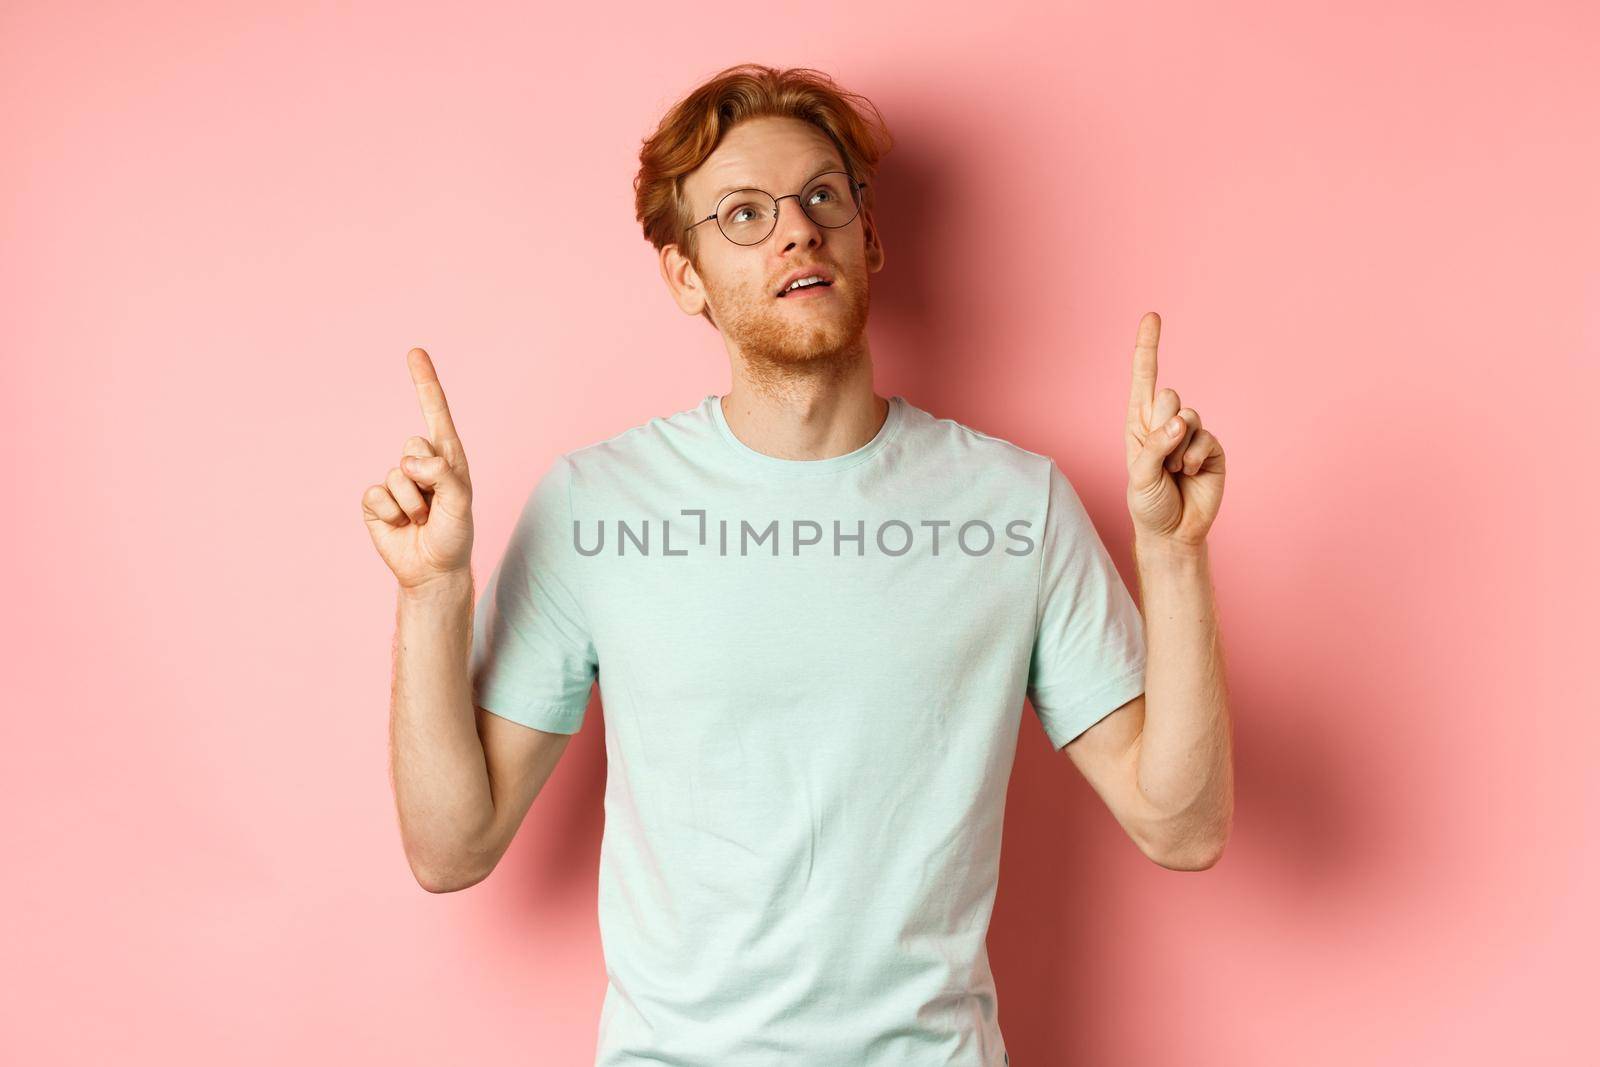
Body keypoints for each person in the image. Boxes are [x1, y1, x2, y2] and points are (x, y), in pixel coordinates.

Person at [362, 62, 1233, 1067]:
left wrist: (1172, 554)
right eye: (741, 212)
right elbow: (450, 846)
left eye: (823, 195)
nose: (796, 229)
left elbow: (1183, 825)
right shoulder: (595, 505)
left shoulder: (1014, 505)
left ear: (868, 234)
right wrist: (431, 592)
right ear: (684, 274)